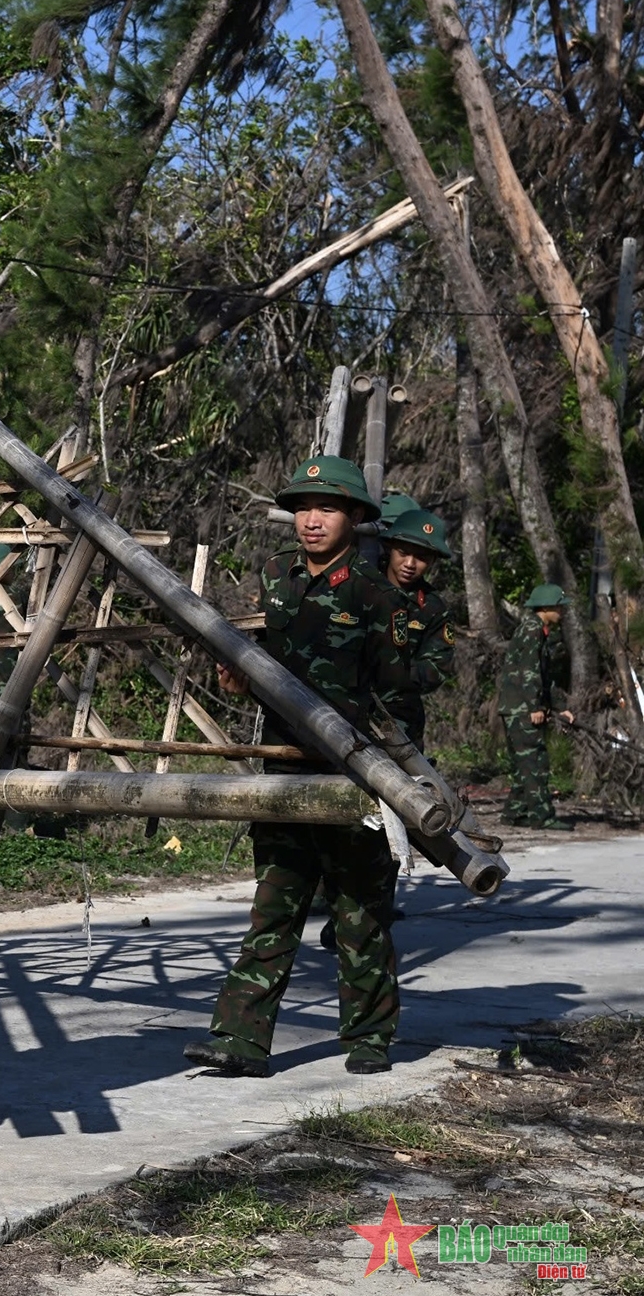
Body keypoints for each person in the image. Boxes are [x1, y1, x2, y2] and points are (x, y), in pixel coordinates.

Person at [186, 455, 411, 1080]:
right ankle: (240, 1040)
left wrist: (395, 783)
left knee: (360, 914)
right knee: (275, 904)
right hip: (284, 770)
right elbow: (260, 667)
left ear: (356, 517)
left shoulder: (375, 596)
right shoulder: (276, 576)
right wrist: (236, 681)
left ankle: (369, 1036)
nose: (312, 520)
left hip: (353, 777)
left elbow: (400, 699)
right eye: (304, 508)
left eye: (328, 508)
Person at [378, 504, 456, 747]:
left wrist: (390, 674)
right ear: (390, 547)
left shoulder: (433, 608)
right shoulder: (361, 584)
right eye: (403, 552)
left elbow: (437, 667)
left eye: (421, 557)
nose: (410, 563)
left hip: (399, 719)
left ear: (433, 561)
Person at [499, 584, 574, 829]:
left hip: (518, 708)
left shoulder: (537, 630)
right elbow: (528, 672)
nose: (562, 611)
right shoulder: (532, 630)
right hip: (521, 709)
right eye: (559, 606)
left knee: (524, 764)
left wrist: (560, 707)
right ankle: (542, 817)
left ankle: (514, 813)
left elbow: (545, 676)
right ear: (546, 606)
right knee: (535, 762)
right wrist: (534, 707)